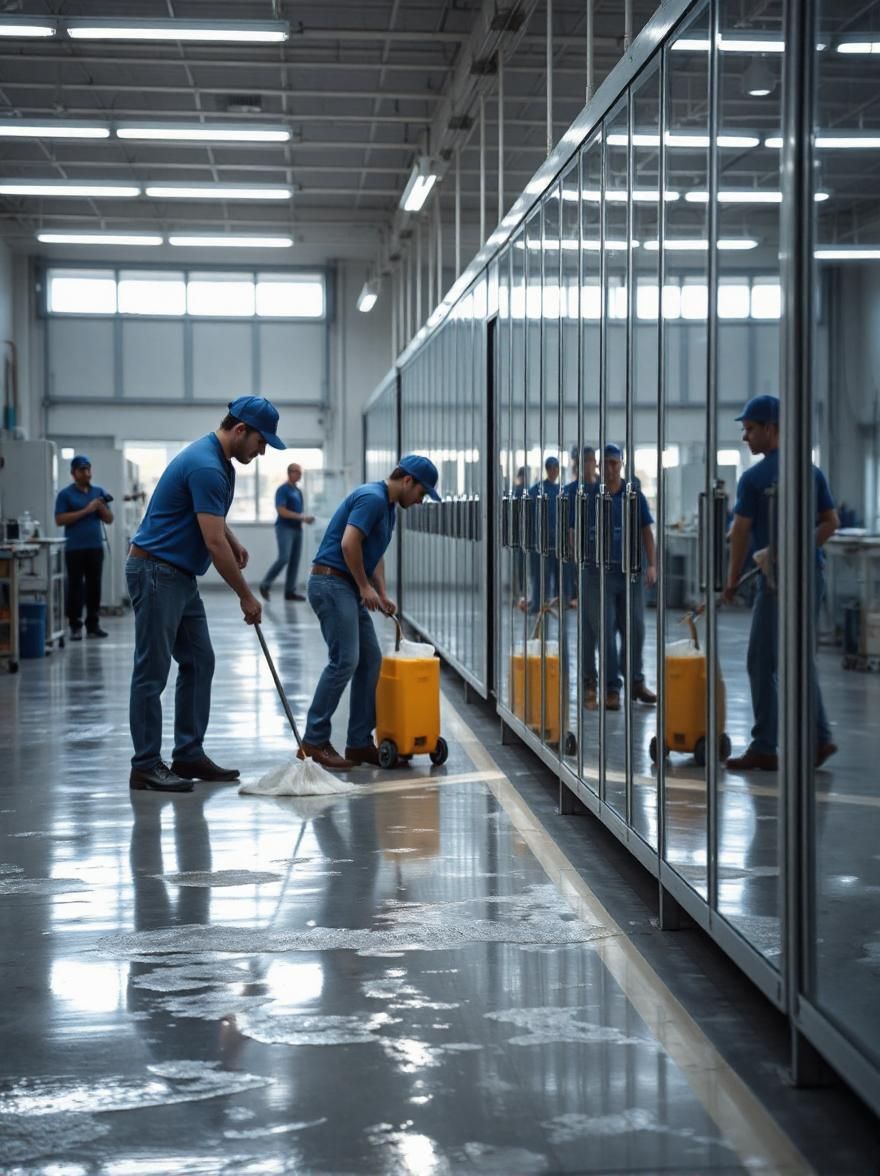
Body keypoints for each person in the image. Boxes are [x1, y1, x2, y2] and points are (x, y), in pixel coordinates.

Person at [126, 396, 283, 793]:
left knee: (199, 660)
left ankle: (188, 753)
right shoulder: (207, 465)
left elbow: (211, 521)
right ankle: (145, 765)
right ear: (241, 430)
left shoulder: (218, 461)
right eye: (262, 442)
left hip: (178, 574)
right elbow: (212, 544)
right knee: (152, 671)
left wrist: (234, 538)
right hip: (157, 571)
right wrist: (246, 596)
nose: (262, 451)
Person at [299, 454, 440, 771]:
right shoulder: (372, 498)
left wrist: (380, 590)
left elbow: (372, 553)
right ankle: (313, 740)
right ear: (407, 481)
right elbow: (350, 545)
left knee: (370, 660)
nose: (419, 501)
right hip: (331, 583)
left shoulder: (387, 507)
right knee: (345, 660)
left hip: (346, 587)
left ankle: (359, 742)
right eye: (421, 493)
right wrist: (364, 588)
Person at [723, 395, 837, 771]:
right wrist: (797, 548)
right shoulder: (809, 472)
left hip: (777, 584)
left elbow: (740, 532)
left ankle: (766, 745)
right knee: (799, 659)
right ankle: (819, 738)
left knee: (760, 660)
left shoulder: (755, 478)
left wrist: (731, 580)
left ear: (771, 429)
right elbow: (830, 522)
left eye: (750, 429)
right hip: (811, 576)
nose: (745, 436)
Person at [584, 445, 657, 711]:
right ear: (599, 466)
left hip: (631, 574)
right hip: (600, 574)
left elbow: (646, 531)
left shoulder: (633, 495)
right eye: (606, 464)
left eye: (615, 463)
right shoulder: (592, 496)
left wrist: (652, 566)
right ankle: (612, 689)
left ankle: (636, 682)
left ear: (621, 465)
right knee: (605, 631)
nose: (611, 468)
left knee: (635, 629)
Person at [54, 454, 112, 641]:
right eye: (82, 470)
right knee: (76, 586)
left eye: (88, 469)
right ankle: (75, 625)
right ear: (73, 473)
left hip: (95, 547)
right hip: (75, 548)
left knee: (94, 586)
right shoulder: (65, 494)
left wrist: (100, 507)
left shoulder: (98, 492)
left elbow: (109, 519)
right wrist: (87, 510)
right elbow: (60, 519)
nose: (86, 473)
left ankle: (93, 624)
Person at [258, 462, 315, 602]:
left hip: (297, 529)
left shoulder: (298, 491)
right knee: (284, 558)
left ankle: (290, 592)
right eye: (297, 472)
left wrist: (303, 519)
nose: (299, 475)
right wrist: (302, 517)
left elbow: (298, 510)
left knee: (294, 561)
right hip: (284, 528)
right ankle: (265, 584)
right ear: (289, 473)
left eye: (300, 472)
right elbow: (281, 511)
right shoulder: (283, 490)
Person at [527, 455, 561, 614]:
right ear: (547, 470)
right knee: (539, 575)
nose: (555, 471)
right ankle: (537, 603)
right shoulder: (537, 490)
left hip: (556, 541)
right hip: (539, 541)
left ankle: (550, 603)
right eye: (552, 468)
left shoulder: (560, 491)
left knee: (555, 575)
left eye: (557, 468)